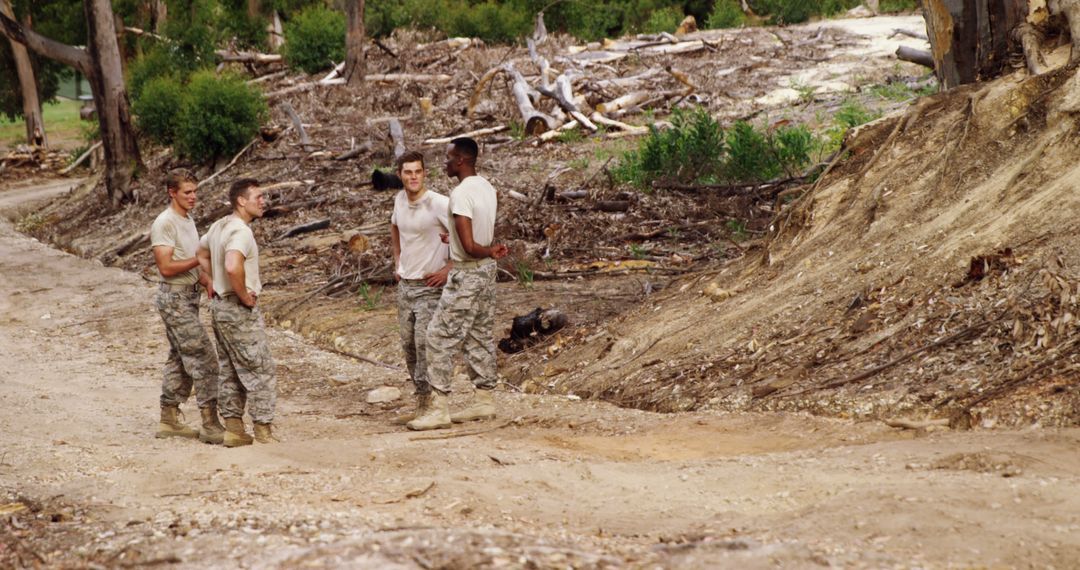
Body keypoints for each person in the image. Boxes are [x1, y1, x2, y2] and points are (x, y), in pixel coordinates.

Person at [408, 137, 509, 431]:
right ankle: (484, 399)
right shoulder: (486, 187)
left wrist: (483, 248)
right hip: (486, 273)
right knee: (479, 333)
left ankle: (438, 406)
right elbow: (473, 233)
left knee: (438, 336)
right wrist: (466, 243)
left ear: (461, 161)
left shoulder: (461, 193)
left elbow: (469, 243)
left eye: (448, 157)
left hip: (467, 274)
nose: (445, 162)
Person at [198, 178, 278, 447]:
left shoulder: (219, 225)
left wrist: (210, 281)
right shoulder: (241, 232)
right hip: (236, 307)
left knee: (230, 368)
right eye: (257, 197)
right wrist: (244, 295)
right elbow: (233, 266)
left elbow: (200, 253)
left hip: (219, 307)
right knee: (260, 367)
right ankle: (263, 430)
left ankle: (233, 428)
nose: (262, 201)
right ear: (241, 201)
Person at [150, 169, 224, 444]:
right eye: (187, 192)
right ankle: (210, 422)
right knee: (204, 357)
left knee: (180, 357)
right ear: (172, 193)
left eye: (195, 191)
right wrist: (199, 260)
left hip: (189, 296)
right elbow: (167, 267)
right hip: (174, 298)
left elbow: (188, 260)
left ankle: (169, 418)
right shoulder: (165, 223)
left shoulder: (187, 220)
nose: (193, 197)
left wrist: (206, 281)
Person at [389, 151, 453, 425]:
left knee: (427, 344)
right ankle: (422, 403)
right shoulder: (400, 200)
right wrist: (397, 261)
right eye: (408, 172)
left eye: (418, 171)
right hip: (407, 285)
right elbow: (394, 227)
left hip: (430, 286)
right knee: (409, 346)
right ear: (400, 175)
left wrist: (447, 269)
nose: (413, 177)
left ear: (424, 173)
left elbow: (464, 234)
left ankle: (438, 407)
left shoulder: (439, 203)